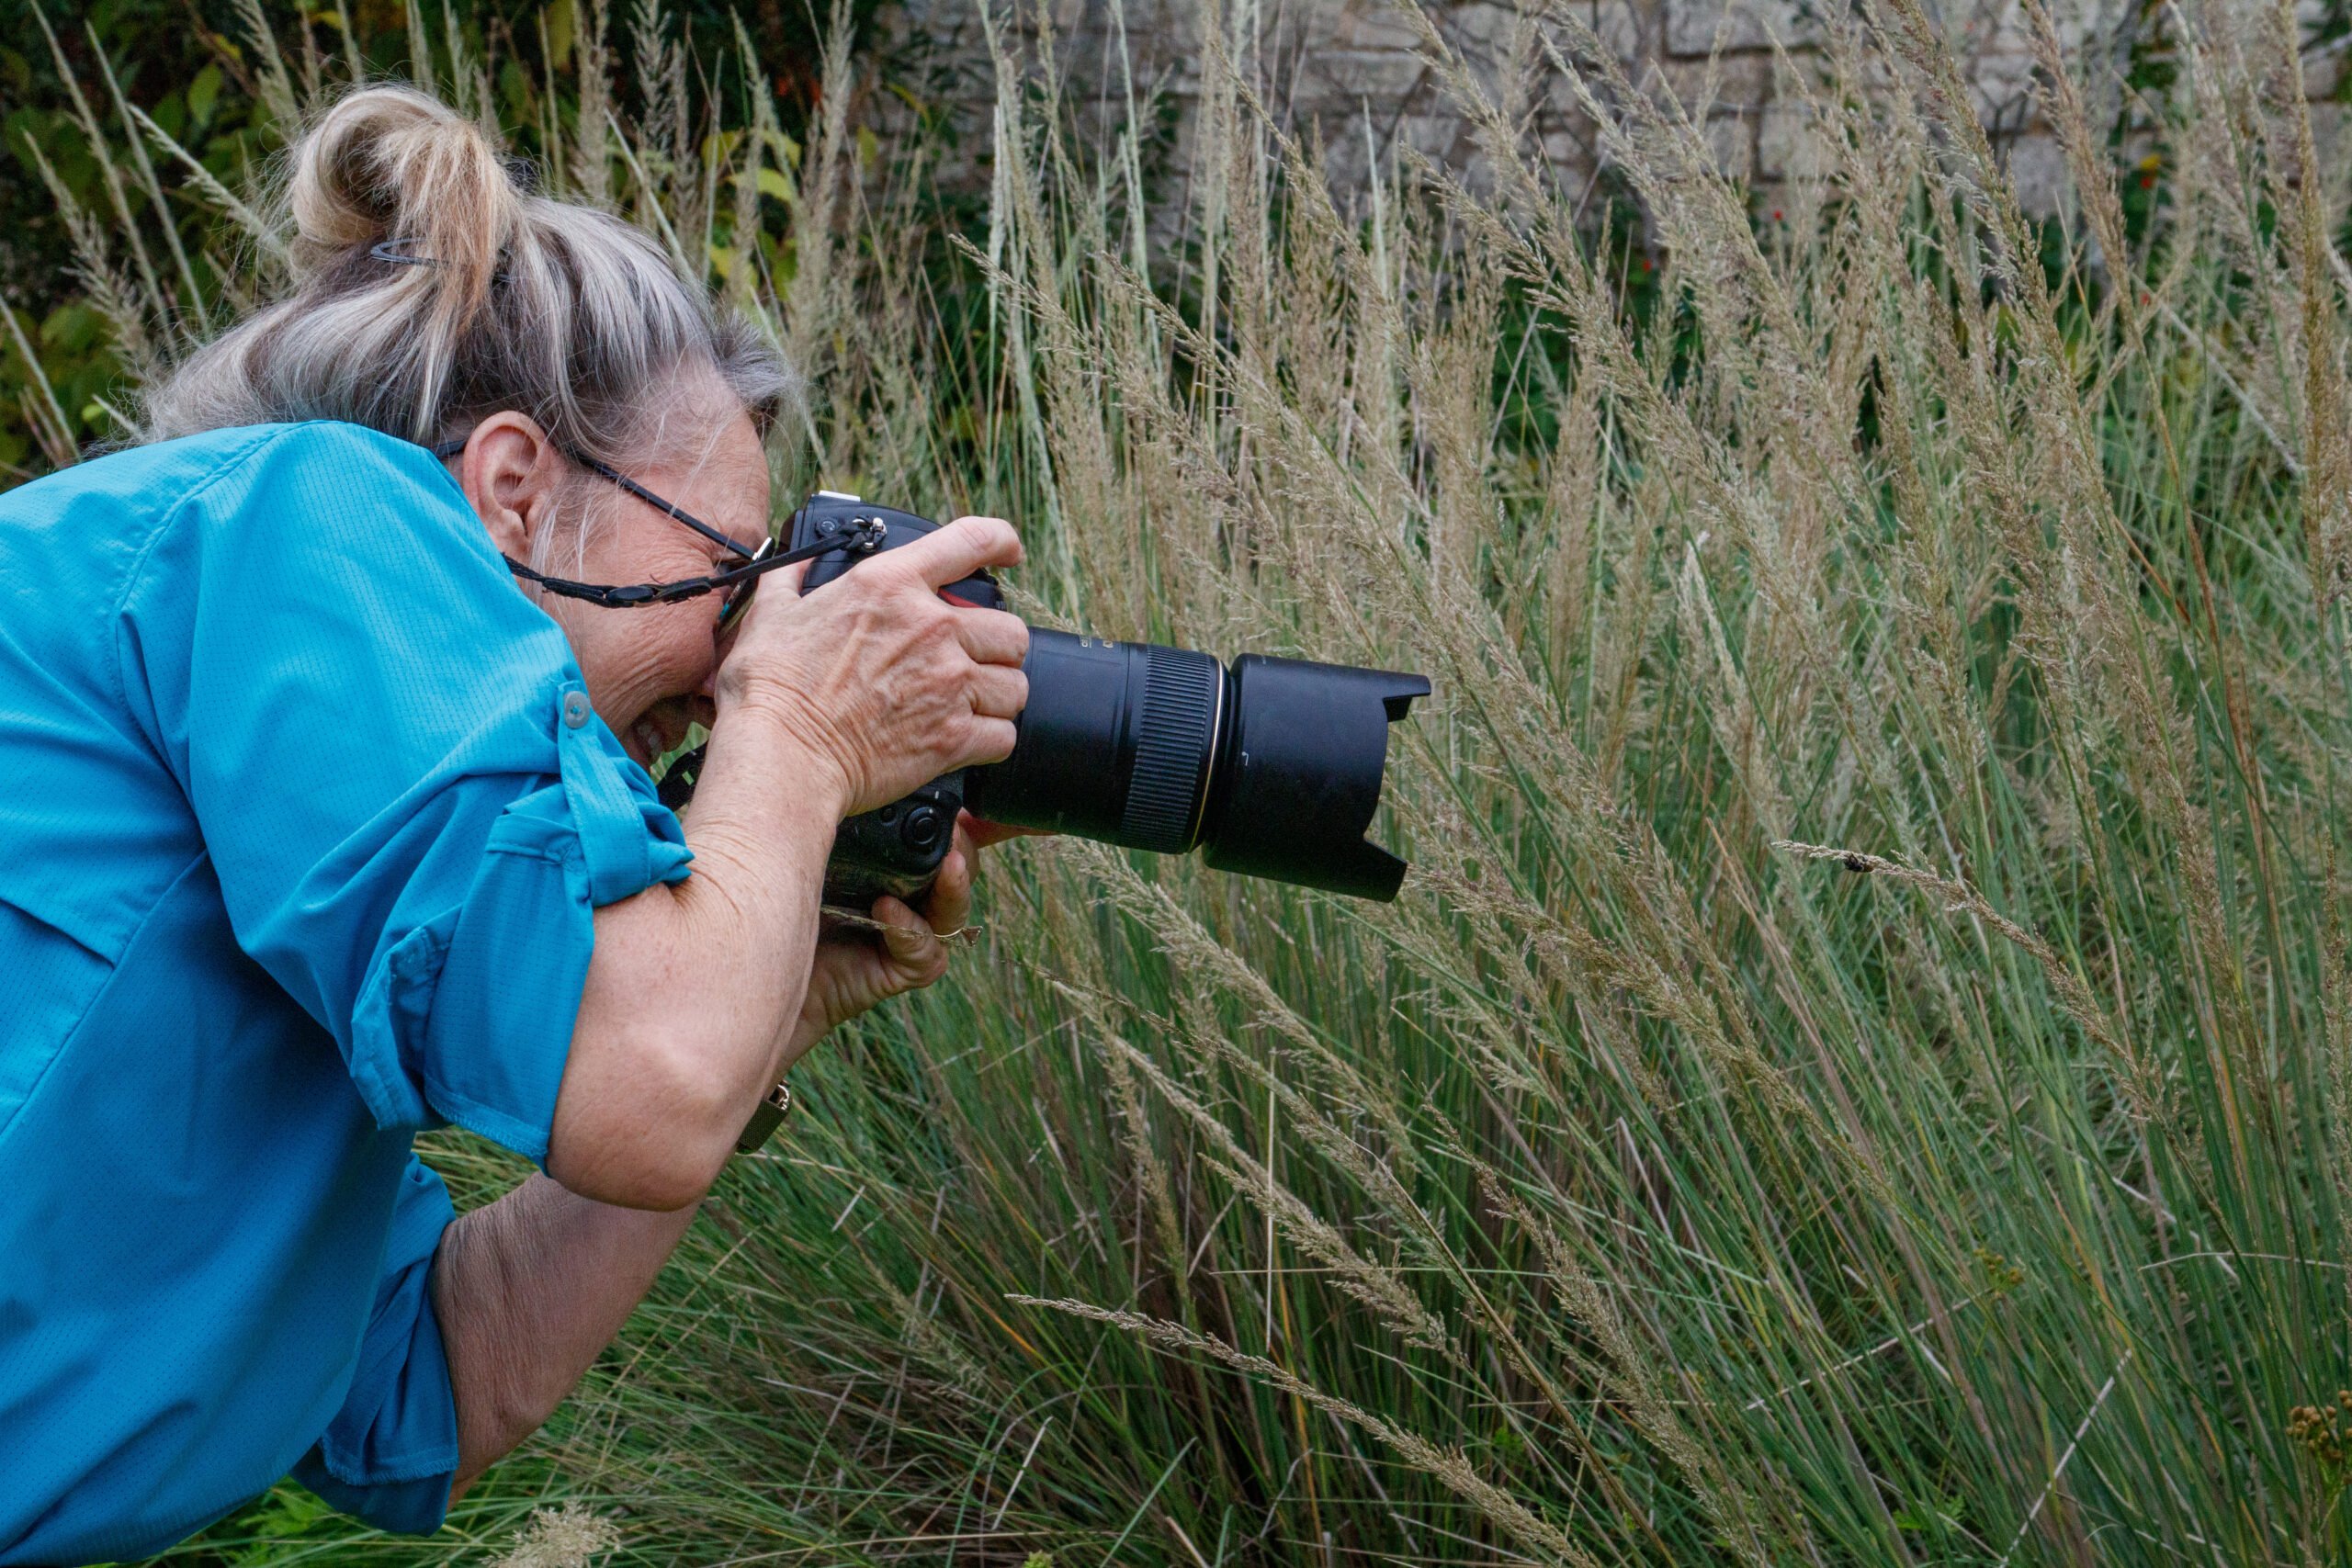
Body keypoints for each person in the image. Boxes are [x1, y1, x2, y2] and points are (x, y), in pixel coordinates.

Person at [0, 84, 1029, 1563]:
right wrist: (798, 733)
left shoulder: (326, 827)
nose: (742, 653)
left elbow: (449, 1373)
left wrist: (773, 997)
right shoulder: (301, 522)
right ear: (511, 492)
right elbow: (651, 1083)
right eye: (733, 574)